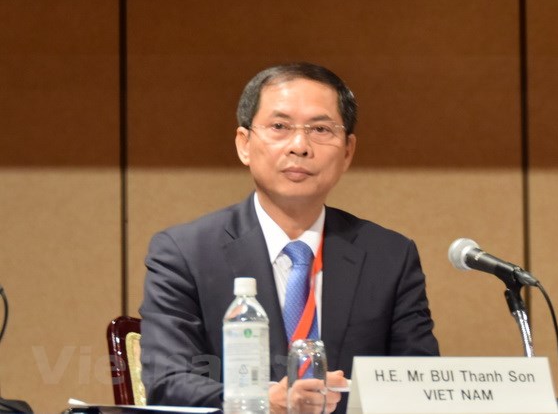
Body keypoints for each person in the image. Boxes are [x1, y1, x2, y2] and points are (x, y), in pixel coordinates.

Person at [140, 62, 439, 414]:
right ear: (244, 144)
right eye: (280, 126)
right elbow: (168, 382)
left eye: (320, 129)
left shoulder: (389, 257)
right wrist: (264, 402)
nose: (300, 146)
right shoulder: (185, 253)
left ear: (347, 152)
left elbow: (419, 385)